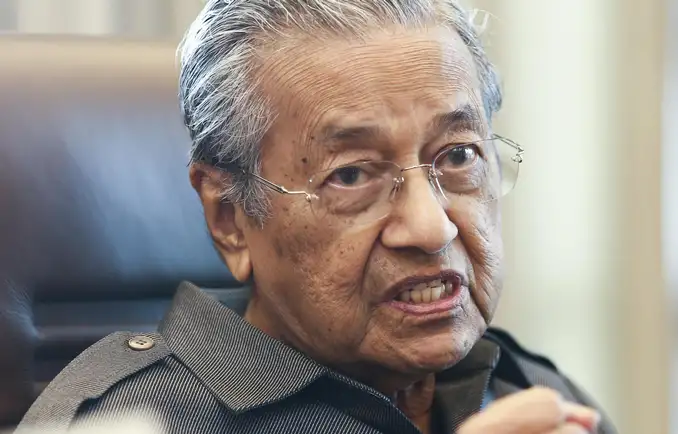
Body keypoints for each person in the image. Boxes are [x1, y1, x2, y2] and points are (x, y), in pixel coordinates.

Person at [15, 1, 617, 433]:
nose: (433, 227)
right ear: (229, 218)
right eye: (351, 175)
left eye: (458, 156)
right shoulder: (132, 421)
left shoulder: (528, 392)